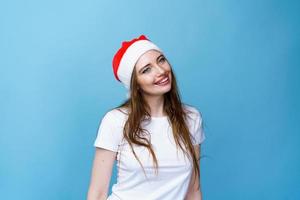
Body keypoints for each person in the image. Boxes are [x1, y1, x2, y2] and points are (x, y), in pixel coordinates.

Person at [87, 35, 206, 200]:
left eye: (161, 60)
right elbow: (97, 193)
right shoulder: (115, 121)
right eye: (146, 69)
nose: (161, 71)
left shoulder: (191, 118)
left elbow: (193, 191)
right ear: (135, 84)